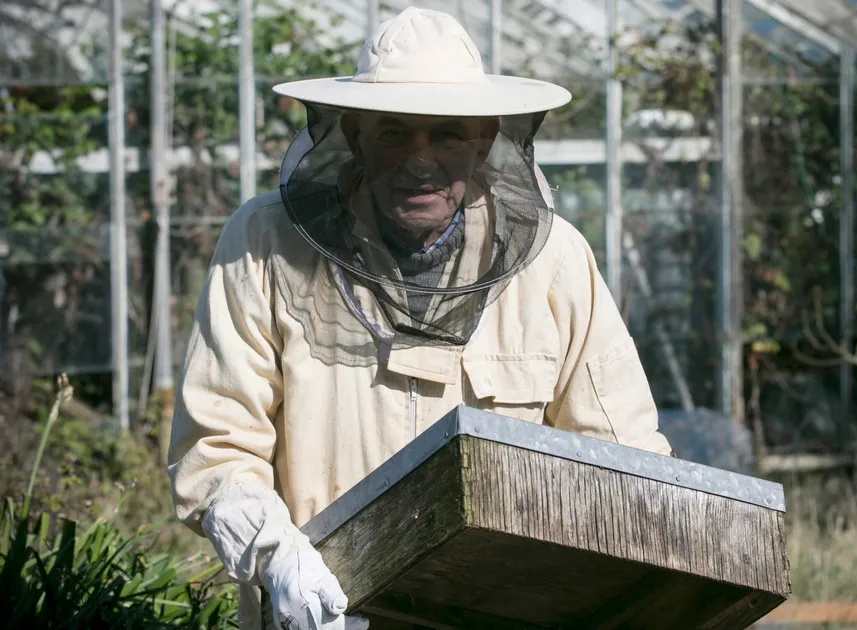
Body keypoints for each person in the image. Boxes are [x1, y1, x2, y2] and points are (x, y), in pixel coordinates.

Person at [166, 7, 674, 630]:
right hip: (323, 615)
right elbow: (216, 449)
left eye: (448, 134)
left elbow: (624, 460)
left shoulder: (555, 261)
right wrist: (279, 558)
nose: (420, 159)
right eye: (394, 132)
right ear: (353, 135)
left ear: (486, 140)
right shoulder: (264, 243)